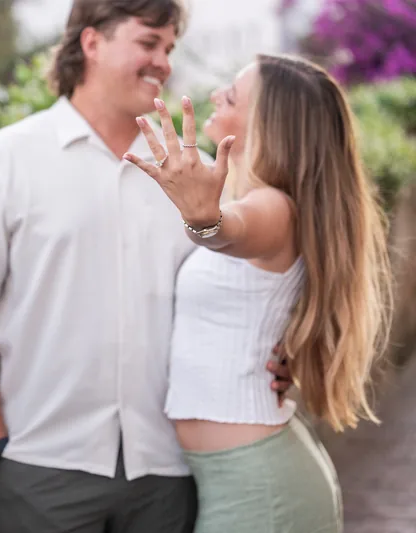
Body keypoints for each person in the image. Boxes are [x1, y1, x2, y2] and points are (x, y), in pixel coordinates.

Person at [0, 1, 291, 532]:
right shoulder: (6, 158)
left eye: (169, 47)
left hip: (171, 470)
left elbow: (248, 284)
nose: (163, 62)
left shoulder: (198, 175)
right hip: (40, 467)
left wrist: (282, 355)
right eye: (148, 43)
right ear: (91, 43)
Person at [123, 53, 394, 533]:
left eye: (229, 96)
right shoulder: (262, 200)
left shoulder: (273, 207)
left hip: (258, 485)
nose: (212, 96)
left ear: (267, 125)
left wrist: (203, 221)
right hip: (242, 475)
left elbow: (230, 230)